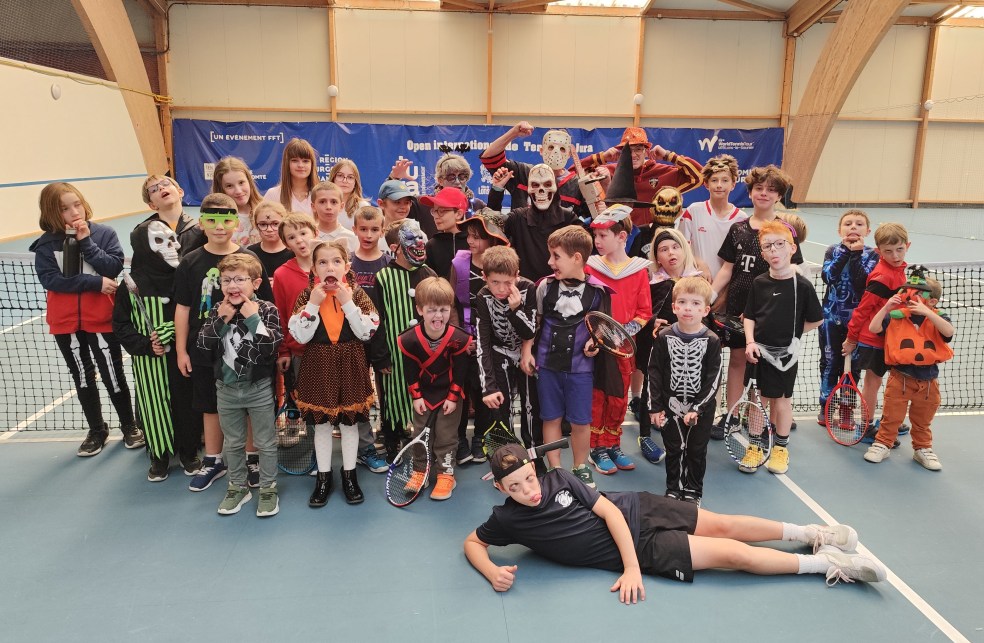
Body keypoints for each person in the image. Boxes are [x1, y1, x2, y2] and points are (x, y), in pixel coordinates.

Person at [464, 443, 886, 599]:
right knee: (733, 555)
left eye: (529, 478)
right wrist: (490, 571)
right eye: (515, 487)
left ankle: (811, 533)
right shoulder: (507, 519)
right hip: (646, 549)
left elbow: (610, 512)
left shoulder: (559, 478)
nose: (529, 490)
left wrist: (630, 569)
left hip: (637, 509)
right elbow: (473, 543)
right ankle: (826, 564)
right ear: (500, 489)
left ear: (535, 469)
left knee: (724, 524)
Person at [31, 182, 143, 457]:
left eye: (77, 204)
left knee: (113, 373)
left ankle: (129, 426)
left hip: (101, 319)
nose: (74, 212)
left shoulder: (104, 234)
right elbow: (51, 280)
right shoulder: (45, 245)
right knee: (82, 375)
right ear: (51, 212)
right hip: (65, 323)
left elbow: (112, 266)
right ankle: (97, 430)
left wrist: (86, 241)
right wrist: (93, 282)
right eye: (64, 209)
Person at [174, 193, 274, 492]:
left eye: (226, 220)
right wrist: (181, 350)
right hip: (206, 348)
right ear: (201, 223)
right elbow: (183, 308)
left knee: (250, 404)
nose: (219, 227)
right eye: (212, 220)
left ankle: (252, 458)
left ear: (236, 223)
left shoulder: (250, 260)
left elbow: (265, 304)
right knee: (210, 404)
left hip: (247, 350)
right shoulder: (190, 261)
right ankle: (214, 460)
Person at [709, 165, 804, 440]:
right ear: (750, 193)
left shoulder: (784, 231)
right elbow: (727, 269)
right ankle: (732, 415)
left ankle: (761, 420)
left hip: (770, 313)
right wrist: (709, 297)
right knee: (738, 360)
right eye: (759, 188)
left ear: (779, 196)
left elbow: (794, 272)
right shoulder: (738, 229)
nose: (764, 193)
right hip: (738, 309)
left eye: (771, 190)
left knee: (765, 368)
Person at [289, 241, 380, 506]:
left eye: (336, 261)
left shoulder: (357, 294)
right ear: (314, 268)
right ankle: (323, 478)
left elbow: (367, 332)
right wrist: (313, 306)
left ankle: (349, 475)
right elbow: (300, 335)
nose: (330, 267)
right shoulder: (307, 296)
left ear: (346, 267)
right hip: (318, 364)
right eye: (323, 262)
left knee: (350, 424)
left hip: (351, 362)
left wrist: (347, 303)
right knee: (321, 425)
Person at [522, 225, 612, 488]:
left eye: (556, 256)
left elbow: (602, 330)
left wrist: (595, 344)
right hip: (547, 365)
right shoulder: (544, 287)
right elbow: (534, 323)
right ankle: (555, 468)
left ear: (577, 258)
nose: (550, 262)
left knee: (581, 421)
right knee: (550, 417)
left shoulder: (598, 292)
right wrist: (527, 351)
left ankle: (580, 466)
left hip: (580, 369)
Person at [113, 216, 201, 480]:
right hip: (149, 361)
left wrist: (173, 334)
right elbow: (121, 324)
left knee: (185, 404)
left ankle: (188, 452)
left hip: (182, 356)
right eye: (161, 241)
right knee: (153, 408)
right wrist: (145, 345)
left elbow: (196, 314)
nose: (173, 246)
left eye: (173, 239)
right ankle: (159, 455)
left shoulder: (185, 277)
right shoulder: (131, 285)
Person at [197, 254, 282, 516]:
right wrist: (220, 320)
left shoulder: (266, 309)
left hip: (258, 390)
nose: (232, 285)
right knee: (233, 444)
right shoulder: (217, 310)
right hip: (226, 391)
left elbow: (271, 348)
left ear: (255, 283)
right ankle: (237, 487)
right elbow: (202, 347)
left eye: (239, 279)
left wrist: (253, 318)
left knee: (265, 442)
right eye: (226, 280)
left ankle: (268, 488)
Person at [742, 221, 823, 475]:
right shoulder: (759, 283)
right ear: (763, 253)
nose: (774, 250)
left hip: (786, 357)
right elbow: (749, 316)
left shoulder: (803, 286)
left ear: (792, 248)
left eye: (779, 244)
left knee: (782, 402)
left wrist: (794, 336)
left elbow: (817, 319)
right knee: (757, 400)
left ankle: (780, 449)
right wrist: (750, 342)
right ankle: (755, 446)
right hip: (759, 353)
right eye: (768, 246)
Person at [584, 204, 653, 475]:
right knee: (596, 396)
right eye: (595, 235)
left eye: (603, 235)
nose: (597, 241)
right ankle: (595, 448)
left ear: (622, 237)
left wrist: (621, 334)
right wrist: (598, 335)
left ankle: (612, 444)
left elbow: (644, 312)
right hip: (595, 344)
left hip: (623, 348)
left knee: (619, 397)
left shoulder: (638, 271)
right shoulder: (590, 267)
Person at [863, 273, 953, 470]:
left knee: (922, 420)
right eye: (908, 292)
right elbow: (874, 327)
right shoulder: (897, 316)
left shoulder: (938, 317)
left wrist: (927, 312)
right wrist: (887, 307)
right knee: (892, 416)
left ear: (932, 301)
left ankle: (923, 448)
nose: (910, 297)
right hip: (900, 378)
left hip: (928, 382)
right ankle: (882, 444)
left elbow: (948, 332)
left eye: (918, 294)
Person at [636, 228, 709, 465]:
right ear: (657, 257)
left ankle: (680, 429)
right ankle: (644, 435)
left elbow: (705, 315)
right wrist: (652, 322)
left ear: (684, 250)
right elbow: (644, 313)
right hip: (657, 348)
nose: (670, 253)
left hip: (687, 350)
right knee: (651, 388)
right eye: (664, 249)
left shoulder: (697, 281)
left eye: (675, 247)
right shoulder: (653, 283)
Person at [397, 277, 473, 501]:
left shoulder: (459, 338)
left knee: (446, 436)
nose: (438, 316)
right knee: (419, 434)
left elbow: (460, 371)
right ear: (420, 310)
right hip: (424, 395)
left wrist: (453, 397)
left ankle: (446, 474)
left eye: (443, 310)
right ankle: (420, 472)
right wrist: (416, 396)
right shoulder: (409, 339)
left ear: (450, 309)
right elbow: (410, 371)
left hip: (450, 394)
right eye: (431, 310)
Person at [648, 276, 721, 505]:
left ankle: (693, 491)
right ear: (674, 307)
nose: (688, 308)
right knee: (673, 448)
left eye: (695, 303)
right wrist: (655, 407)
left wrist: (698, 408)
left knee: (696, 450)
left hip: (701, 410)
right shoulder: (663, 337)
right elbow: (654, 372)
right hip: (670, 406)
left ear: (705, 310)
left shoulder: (712, 340)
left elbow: (713, 379)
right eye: (682, 302)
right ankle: (673, 488)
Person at [374, 220, 438, 461]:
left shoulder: (429, 274)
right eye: (412, 239)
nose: (419, 243)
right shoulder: (383, 277)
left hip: (425, 351)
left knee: (424, 394)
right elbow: (378, 317)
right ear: (396, 247)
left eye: (421, 237)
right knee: (393, 396)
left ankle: (425, 441)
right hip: (394, 351)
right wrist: (381, 356)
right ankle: (392, 439)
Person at [451, 208, 511, 464]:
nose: (470, 241)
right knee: (461, 390)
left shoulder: (503, 267)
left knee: (486, 387)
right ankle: (459, 439)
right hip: (464, 338)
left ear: (492, 239)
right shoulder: (459, 263)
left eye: (477, 236)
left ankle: (480, 438)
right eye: (469, 235)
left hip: (491, 339)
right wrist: (461, 338)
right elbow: (452, 304)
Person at [844, 222, 913, 442]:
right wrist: (851, 338)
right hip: (873, 339)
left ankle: (888, 421)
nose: (895, 255)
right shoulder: (882, 277)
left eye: (899, 249)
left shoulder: (899, 270)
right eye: (888, 251)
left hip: (890, 337)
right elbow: (862, 310)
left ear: (907, 246)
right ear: (878, 251)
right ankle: (865, 427)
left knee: (892, 382)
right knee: (872, 383)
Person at [473, 246, 539, 449]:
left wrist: (516, 309)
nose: (501, 289)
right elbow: (482, 343)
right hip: (499, 352)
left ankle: (534, 453)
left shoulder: (528, 288)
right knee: (503, 408)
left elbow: (530, 331)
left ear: (517, 275)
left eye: (508, 283)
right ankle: (509, 455)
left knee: (531, 406)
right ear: (484, 277)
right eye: (495, 282)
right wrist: (488, 387)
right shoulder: (483, 296)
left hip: (524, 352)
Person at [817, 209, 878, 427]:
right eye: (848, 223)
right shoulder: (833, 251)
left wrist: (856, 255)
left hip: (858, 322)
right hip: (830, 319)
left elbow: (862, 281)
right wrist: (845, 251)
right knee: (830, 362)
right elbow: (828, 277)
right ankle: (826, 405)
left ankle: (846, 409)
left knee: (853, 366)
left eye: (859, 224)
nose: (853, 227)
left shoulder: (872, 255)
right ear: (839, 230)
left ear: (867, 231)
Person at [579, 127, 702, 228]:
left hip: (651, 240)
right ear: (621, 153)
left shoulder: (662, 172)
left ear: (646, 152)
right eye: (628, 150)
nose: (633, 155)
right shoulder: (609, 171)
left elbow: (699, 176)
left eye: (638, 149)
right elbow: (574, 175)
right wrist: (602, 158)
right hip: (618, 237)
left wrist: (668, 155)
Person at [348, 205, 390, 474]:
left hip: (383, 341)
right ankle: (365, 447)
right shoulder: (347, 264)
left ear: (382, 231)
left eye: (374, 229)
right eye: (363, 229)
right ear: (354, 229)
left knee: (387, 390)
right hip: (354, 342)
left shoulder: (389, 263)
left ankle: (391, 434)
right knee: (360, 394)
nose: (368, 234)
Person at [480, 122, 589, 220]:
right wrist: (514, 133)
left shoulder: (578, 185)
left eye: (562, 149)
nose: (556, 153)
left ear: (569, 154)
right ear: (541, 150)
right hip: (523, 235)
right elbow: (489, 157)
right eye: (551, 147)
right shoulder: (524, 173)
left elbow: (593, 219)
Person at [499, 163, 578, 283]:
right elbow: (493, 227)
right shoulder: (518, 217)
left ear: (555, 187)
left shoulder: (568, 218)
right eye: (535, 185)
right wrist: (497, 189)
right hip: (525, 289)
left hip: (560, 287)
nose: (541, 190)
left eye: (547, 185)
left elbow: (589, 244)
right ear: (529, 188)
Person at [677, 154, 747, 279]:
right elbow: (680, 247)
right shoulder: (693, 211)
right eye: (714, 180)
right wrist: (699, 263)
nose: (719, 185)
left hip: (728, 284)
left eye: (725, 180)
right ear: (706, 184)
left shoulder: (741, 218)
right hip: (698, 283)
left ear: (733, 184)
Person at [272, 212, 319, 380]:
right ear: (286, 244)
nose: (299, 240)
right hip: (300, 351)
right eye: (291, 237)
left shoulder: (333, 267)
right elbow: (281, 315)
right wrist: (284, 351)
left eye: (303, 233)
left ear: (315, 233)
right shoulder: (281, 274)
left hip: (333, 347)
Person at [140, 175, 204, 257]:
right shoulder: (145, 233)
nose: (161, 187)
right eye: (153, 190)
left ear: (180, 192)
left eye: (165, 183)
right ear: (152, 205)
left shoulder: (199, 230)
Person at [212, 156, 263, 246]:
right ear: (221, 189)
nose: (238, 191)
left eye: (241, 182)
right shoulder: (215, 219)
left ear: (249, 181)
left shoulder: (265, 210)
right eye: (229, 186)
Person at [421, 186, 470, 279]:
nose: (436, 216)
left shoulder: (474, 242)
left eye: (442, 211)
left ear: (459, 214)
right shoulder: (431, 245)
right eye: (434, 211)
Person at [264, 137, 319, 215]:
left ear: (312, 164)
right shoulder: (273, 194)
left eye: (305, 161)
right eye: (295, 160)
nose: (300, 165)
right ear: (287, 164)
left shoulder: (321, 194)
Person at [246, 200, 293, 284]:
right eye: (263, 224)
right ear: (256, 225)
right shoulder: (251, 253)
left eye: (275, 224)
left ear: (284, 224)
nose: (269, 229)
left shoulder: (293, 251)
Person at [311, 180, 358, 252]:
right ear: (313, 206)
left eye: (334, 202)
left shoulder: (352, 239)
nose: (328, 207)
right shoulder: (307, 237)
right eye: (322, 202)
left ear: (341, 206)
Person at [328, 158, 370, 230]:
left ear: (355, 182)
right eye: (340, 176)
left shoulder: (363, 207)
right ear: (333, 179)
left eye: (350, 177)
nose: (345, 181)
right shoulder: (323, 204)